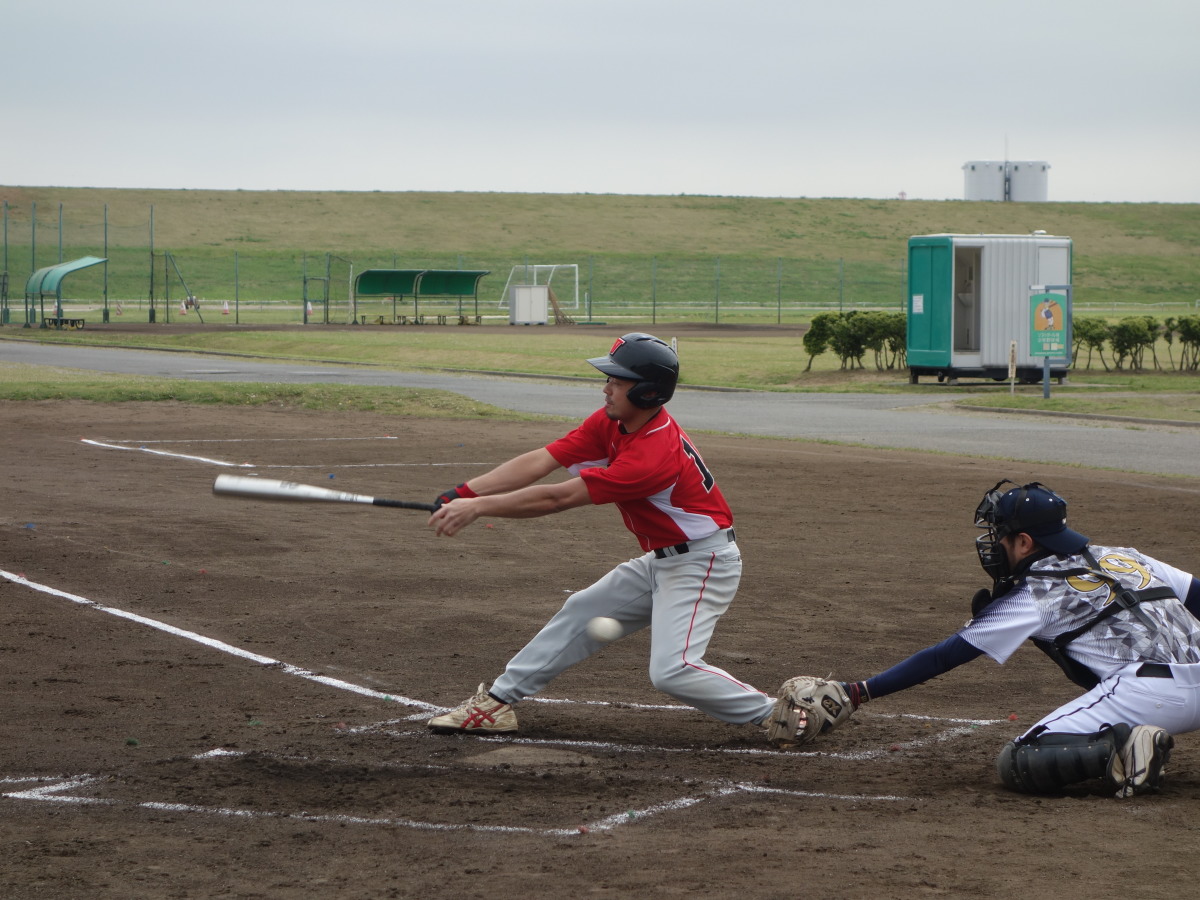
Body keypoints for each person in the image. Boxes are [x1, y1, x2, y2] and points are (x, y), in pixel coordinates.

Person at [424, 333, 777, 736]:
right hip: (665, 560)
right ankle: (497, 703)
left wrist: (478, 507)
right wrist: (464, 493)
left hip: (702, 563)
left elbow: (556, 498)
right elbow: (542, 460)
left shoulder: (651, 456)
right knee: (582, 610)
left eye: (618, 381)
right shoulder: (615, 422)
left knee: (673, 670)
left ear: (646, 392)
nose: (606, 388)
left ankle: (777, 713)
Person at [771, 480, 1200, 797]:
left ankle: (1123, 748)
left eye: (1001, 535)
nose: (994, 544)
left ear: (1025, 542)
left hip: (1152, 695)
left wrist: (857, 692)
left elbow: (944, 656)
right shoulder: (1125, 557)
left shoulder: (1034, 595)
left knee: (1019, 760)